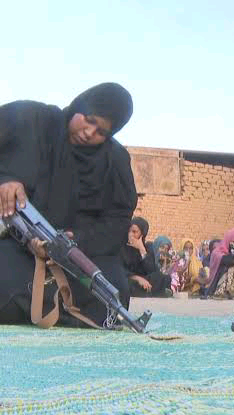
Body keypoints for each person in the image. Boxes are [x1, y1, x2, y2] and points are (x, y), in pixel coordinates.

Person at [0, 83, 136, 327]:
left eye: (101, 132)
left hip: (78, 255)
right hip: (17, 247)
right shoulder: (36, 121)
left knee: (113, 291)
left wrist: (79, 239)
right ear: (78, 106)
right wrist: (6, 179)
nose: (88, 132)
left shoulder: (114, 160)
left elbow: (117, 222)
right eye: (89, 119)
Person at [122, 223, 173, 298]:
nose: (131, 234)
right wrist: (138, 278)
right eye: (129, 231)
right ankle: (156, 291)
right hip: (129, 279)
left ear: (142, 234)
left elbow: (152, 270)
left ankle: (153, 291)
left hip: (145, 279)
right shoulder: (122, 248)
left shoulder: (147, 247)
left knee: (163, 277)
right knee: (128, 283)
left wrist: (142, 250)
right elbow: (120, 270)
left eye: (134, 232)